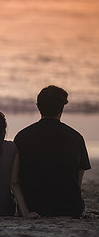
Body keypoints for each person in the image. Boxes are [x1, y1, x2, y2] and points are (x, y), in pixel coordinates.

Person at [14, 85, 91, 218]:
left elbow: (17, 178)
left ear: (38, 106)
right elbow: (77, 182)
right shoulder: (76, 138)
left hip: (33, 207)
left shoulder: (22, 137)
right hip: (71, 208)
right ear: (62, 108)